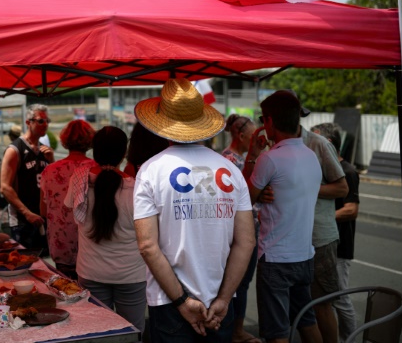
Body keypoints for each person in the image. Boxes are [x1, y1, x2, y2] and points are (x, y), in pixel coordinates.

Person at [133, 79, 255, 342]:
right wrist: (223, 299)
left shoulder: (150, 171)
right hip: (219, 304)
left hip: (169, 303)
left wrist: (181, 301)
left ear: (163, 124)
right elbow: (246, 242)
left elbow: (147, 246)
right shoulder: (231, 170)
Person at [244, 90, 323, 343]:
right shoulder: (311, 156)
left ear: (268, 122)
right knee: (307, 322)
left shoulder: (269, 159)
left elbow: (245, 199)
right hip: (304, 255)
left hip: (276, 258)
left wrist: (253, 154)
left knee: (277, 333)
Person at [65, 126, 147, 331]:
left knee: (96, 333)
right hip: (132, 276)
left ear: (94, 151)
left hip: (90, 272)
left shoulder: (79, 179)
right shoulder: (136, 187)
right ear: (124, 153)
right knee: (132, 332)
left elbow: (69, 212)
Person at [287, 92, 347, 343]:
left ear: (299, 115)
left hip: (318, 239)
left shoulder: (319, 144)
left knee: (322, 304)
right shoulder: (271, 144)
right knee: (298, 306)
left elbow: (342, 188)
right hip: (289, 240)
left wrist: (307, 188)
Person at [312, 122, 360, 342]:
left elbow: (351, 210)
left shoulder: (347, 171)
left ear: (327, 143)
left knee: (339, 298)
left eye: (315, 140)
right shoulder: (323, 171)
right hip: (323, 244)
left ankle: (349, 338)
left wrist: (322, 219)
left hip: (340, 246)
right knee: (323, 299)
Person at [223, 114, 264, 343]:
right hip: (240, 230)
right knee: (238, 282)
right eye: (254, 135)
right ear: (241, 136)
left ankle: (234, 328)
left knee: (242, 282)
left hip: (251, 227)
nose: (259, 140)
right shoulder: (230, 161)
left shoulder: (242, 158)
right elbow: (243, 194)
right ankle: (235, 330)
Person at [40, 119, 96, 278]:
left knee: (66, 291)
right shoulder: (96, 169)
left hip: (61, 244)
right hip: (90, 245)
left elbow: (43, 210)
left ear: (65, 140)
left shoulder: (50, 170)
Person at [0, 104, 54, 251]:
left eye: (47, 120)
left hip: (43, 218)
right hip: (23, 220)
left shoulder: (45, 151)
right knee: (24, 266)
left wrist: (52, 161)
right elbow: (5, 187)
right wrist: (27, 213)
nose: (45, 124)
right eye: (40, 121)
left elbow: (53, 183)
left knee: (43, 266)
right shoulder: (15, 150)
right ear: (28, 122)